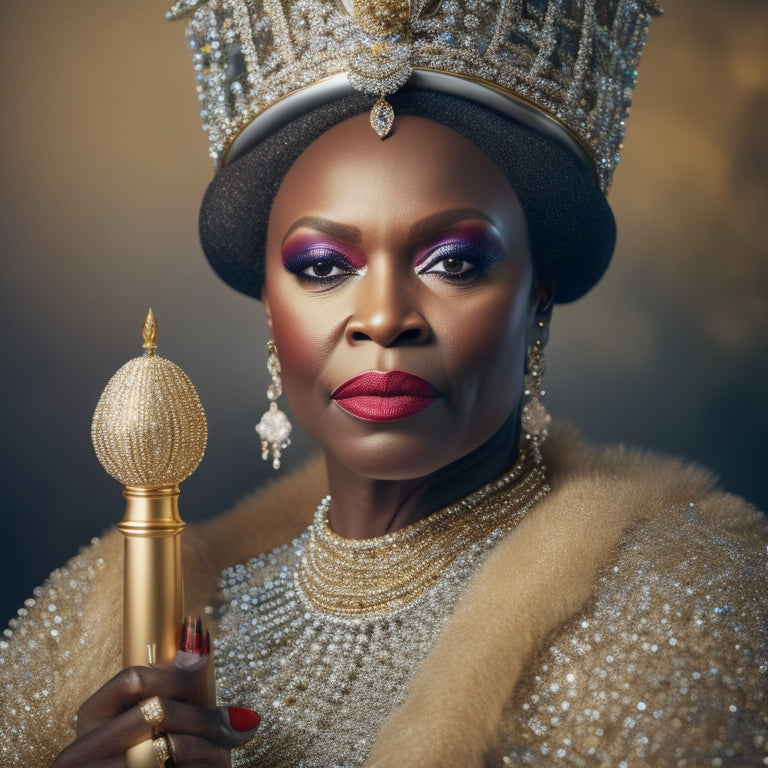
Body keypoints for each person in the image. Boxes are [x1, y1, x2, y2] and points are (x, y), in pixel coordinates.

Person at [1, 1, 767, 766]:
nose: (384, 319)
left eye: (454, 263)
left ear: (538, 294)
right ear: (272, 305)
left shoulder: (681, 612)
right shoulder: (104, 626)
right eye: (324, 268)